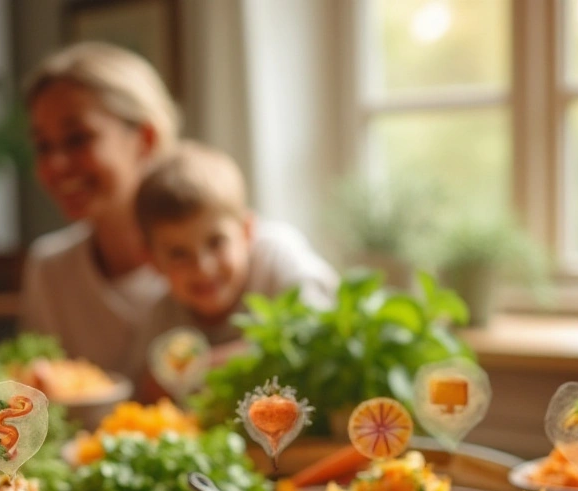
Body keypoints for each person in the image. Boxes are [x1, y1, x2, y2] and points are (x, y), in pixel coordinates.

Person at [19, 42, 178, 378]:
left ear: (145, 139)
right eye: (43, 146)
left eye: (78, 139)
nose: (54, 165)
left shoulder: (248, 252)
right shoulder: (50, 270)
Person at [130, 141, 338, 384]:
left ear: (247, 231)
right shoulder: (161, 314)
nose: (202, 268)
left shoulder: (281, 261)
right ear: (152, 261)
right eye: (178, 254)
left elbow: (319, 337)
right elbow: (147, 388)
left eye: (216, 242)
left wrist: (198, 369)